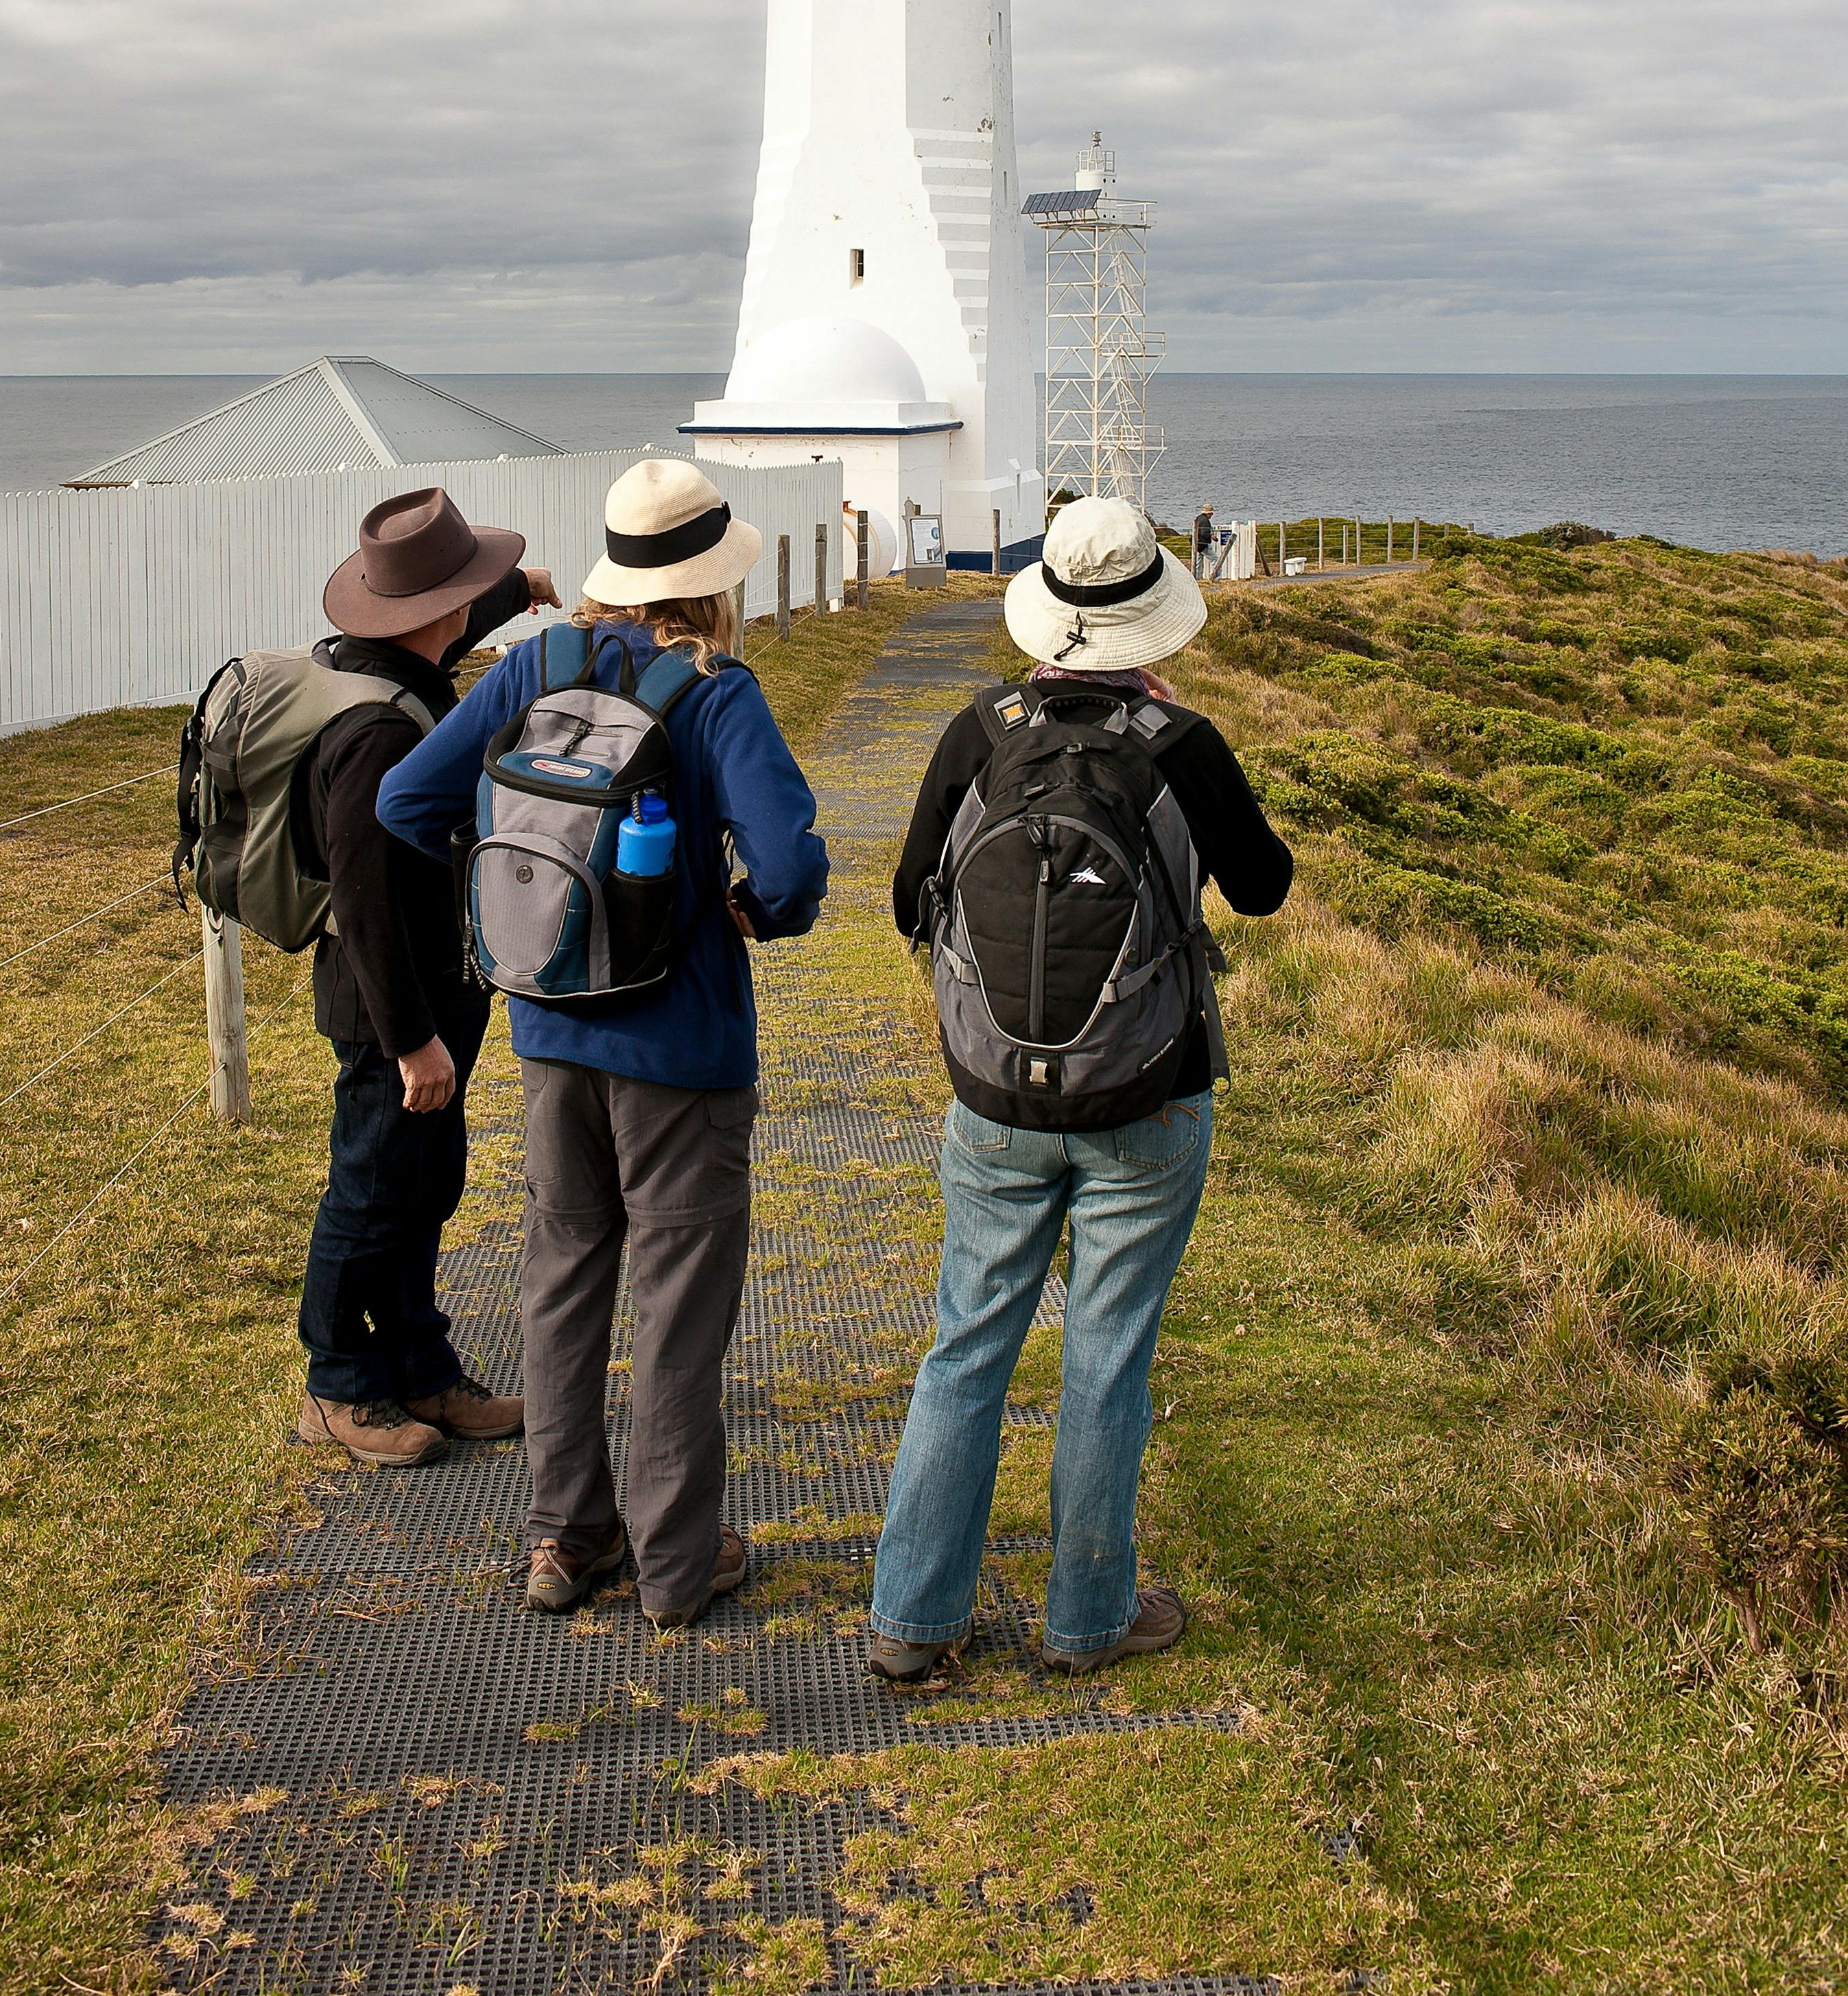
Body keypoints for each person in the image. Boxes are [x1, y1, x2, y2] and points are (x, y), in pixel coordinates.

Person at [376, 459, 829, 1628]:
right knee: (679, 1307)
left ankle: (564, 1541)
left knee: (562, 1279)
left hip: (551, 1032)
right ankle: (678, 1568)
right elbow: (787, 870)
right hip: (682, 1047)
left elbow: (407, 804)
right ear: (714, 578)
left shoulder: (531, 665)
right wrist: (745, 912)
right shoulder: (717, 695)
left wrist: (517, 903)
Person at [869, 496, 1292, 1680]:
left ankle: (911, 1621)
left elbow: (910, 900)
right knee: (1108, 1358)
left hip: (995, 1097)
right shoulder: (1182, 744)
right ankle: (1088, 1620)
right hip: (1146, 1092)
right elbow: (1262, 889)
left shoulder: (980, 730)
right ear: (1149, 627)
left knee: (966, 1347)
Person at [296, 487, 560, 1468]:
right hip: (387, 1010)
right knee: (368, 1193)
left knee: (423, 1186)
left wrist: (517, 593)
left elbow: (445, 632)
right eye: (472, 591)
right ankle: (336, 1385)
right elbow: (364, 903)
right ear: (436, 610)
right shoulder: (374, 733)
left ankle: (420, 1367)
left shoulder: (389, 665)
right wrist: (411, 1040)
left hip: (427, 999)